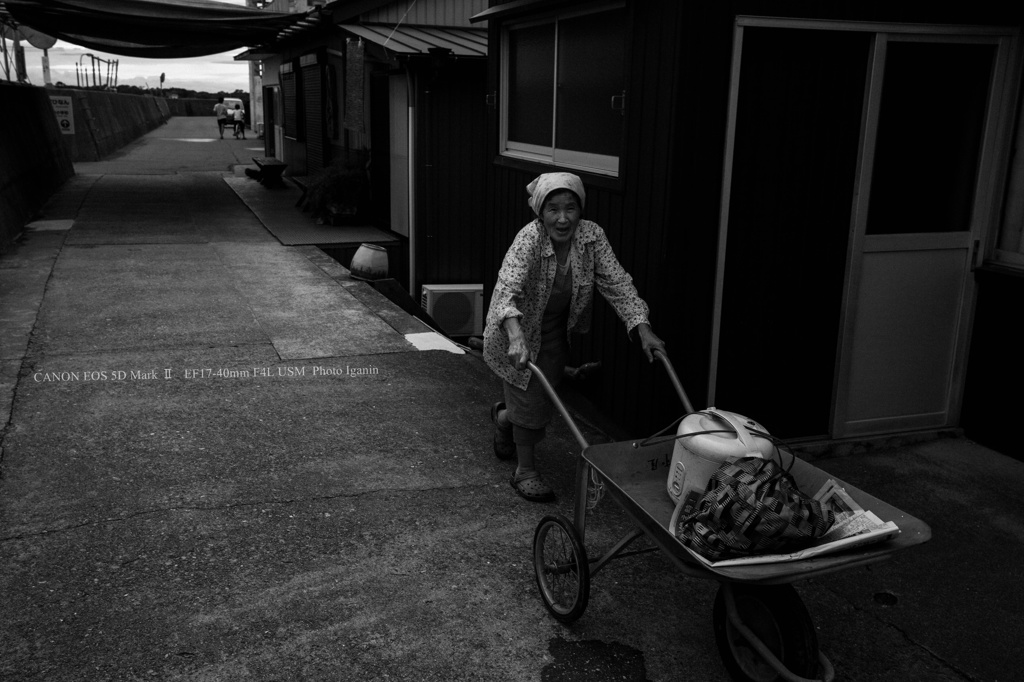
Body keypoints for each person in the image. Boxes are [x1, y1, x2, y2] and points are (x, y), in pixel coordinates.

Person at [483, 172, 665, 502]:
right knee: (528, 398)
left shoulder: (591, 237)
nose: (563, 218)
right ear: (540, 212)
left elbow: (618, 284)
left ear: (580, 210)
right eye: (553, 209)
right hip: (516, 333)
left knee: (540, 401)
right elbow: (505, 293)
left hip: (555, 335)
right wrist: (515, 337)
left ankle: (503, 418)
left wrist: (644, 328)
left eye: (570, 208)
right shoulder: (528, 240)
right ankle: (525, 470)